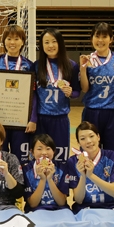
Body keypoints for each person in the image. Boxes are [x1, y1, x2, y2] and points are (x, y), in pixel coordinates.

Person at [0, 25, 36, 164]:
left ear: (22, 41)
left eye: (16, 39)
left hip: (21, 120)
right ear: (4, 41)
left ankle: (19, 184)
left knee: (20, 158)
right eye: (9, 38)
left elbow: (34, 94)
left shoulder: (29, 65)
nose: (12, 42)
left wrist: (33, 118)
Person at [79, 22, 114, 157]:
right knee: (89, 154)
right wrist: (82, 70)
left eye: (104, 36)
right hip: (92, 112)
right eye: (97, 36)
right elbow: (84, 88)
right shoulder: (87, 60)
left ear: (111, 39)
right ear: (91, 38)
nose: (100, 40)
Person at [66, 121, 114, 223]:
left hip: (110, 206)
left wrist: (90, 175)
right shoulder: (73, 162)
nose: (88, 141)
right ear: (78, 142)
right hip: (84, 208)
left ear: (98, 137)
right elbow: (78, 199)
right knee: (88, 225)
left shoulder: (113, 157)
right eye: (83, 139)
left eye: (91, 136)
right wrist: (83, 176)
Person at [32, 28, 80, 162]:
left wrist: (71, 92)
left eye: (54, 41)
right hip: (41, 119)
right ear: (42, 45)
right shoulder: (36, 66)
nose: (50, 45)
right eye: (46, 42)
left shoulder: (71, 66)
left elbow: (77, 91)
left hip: (60, 119)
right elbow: (33, 95)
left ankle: (59, 183)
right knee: (40, 157)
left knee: (60, 158)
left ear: (60, 43)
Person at [22, 134, 73, 218]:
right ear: (32, 152)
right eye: (39, 149)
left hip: (59, 211)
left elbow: (62, 202)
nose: (44, 153)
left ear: (54, 151)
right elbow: (32, 204)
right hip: (35, 212)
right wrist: (42, 179)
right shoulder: (26, 170)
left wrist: (49, 179)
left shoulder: (62, 168)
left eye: (48, 148)